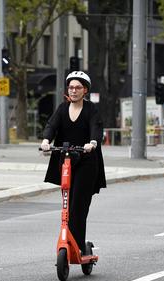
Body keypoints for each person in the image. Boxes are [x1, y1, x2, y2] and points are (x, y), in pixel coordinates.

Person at [40, 71, 106, 254]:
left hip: (86, 163)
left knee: (78, 204)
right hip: (66, 161)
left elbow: (96, 127)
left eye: (78, 87)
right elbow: (51, 126)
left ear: (85, 90)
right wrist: (46, 141)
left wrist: (92, 143)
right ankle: (67, 242)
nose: (74, 91)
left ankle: (77, 244)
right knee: (67, 205)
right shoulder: (62, 108)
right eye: (71, 87)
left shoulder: (91, 109)